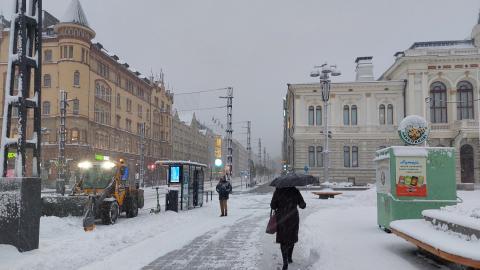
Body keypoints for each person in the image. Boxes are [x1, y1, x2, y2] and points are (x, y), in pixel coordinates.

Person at [270, 187, 306, 270]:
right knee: (291, 238)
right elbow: (302, 205)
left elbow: (272, 205)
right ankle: (289, 258)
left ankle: (285, 262)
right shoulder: (295, 191)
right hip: (293, 218)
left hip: (282, 218)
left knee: (283, 240)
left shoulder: (278, 191)